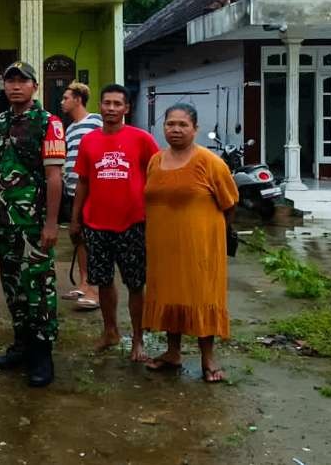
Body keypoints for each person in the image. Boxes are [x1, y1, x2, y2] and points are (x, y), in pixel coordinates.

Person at [0, 61, 66, 387]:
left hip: (36, 223)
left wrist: (52, 223)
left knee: (39, 286)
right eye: (9, 80)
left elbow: (55, 177)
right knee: (12, 285)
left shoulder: (48, 123)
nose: (15, 86)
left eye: (22, 81)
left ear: (34, 87)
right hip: (7, 222)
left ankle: (42, 354)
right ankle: (21, 345)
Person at [143, 104, 238, 383]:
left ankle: (208, 358)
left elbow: (230, 204)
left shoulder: (211, 163)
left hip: (200, 248)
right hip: (163, 247)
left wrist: (209, 233)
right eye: (170, 124)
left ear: (195, 129)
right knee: (171, 296)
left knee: (201, 296)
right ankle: (173, 352)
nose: (175, 129)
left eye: (183, 125)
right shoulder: (155, 161)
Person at [69, 83, 160, 362]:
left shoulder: (141, 139)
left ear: (127, 108)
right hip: (96, 224)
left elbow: (157, 176)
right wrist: (75, 220)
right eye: (106, 103)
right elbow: (83, 182)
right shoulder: (89, 140)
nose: (111, 108)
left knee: (135, 284)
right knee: (104, 282)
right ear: (100, 106)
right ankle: (110, 332)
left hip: (133, 223)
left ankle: (138, 339)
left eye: (117, 104)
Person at [58, 82, 102, 310]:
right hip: (74, 191)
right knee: (78, 238)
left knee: (93, 241)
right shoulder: (71, 128)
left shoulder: (96, 121)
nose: (62, 102)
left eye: (66, 98)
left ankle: (95, 290)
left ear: (78, 99)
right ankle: (84, 284)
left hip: (94, 192)